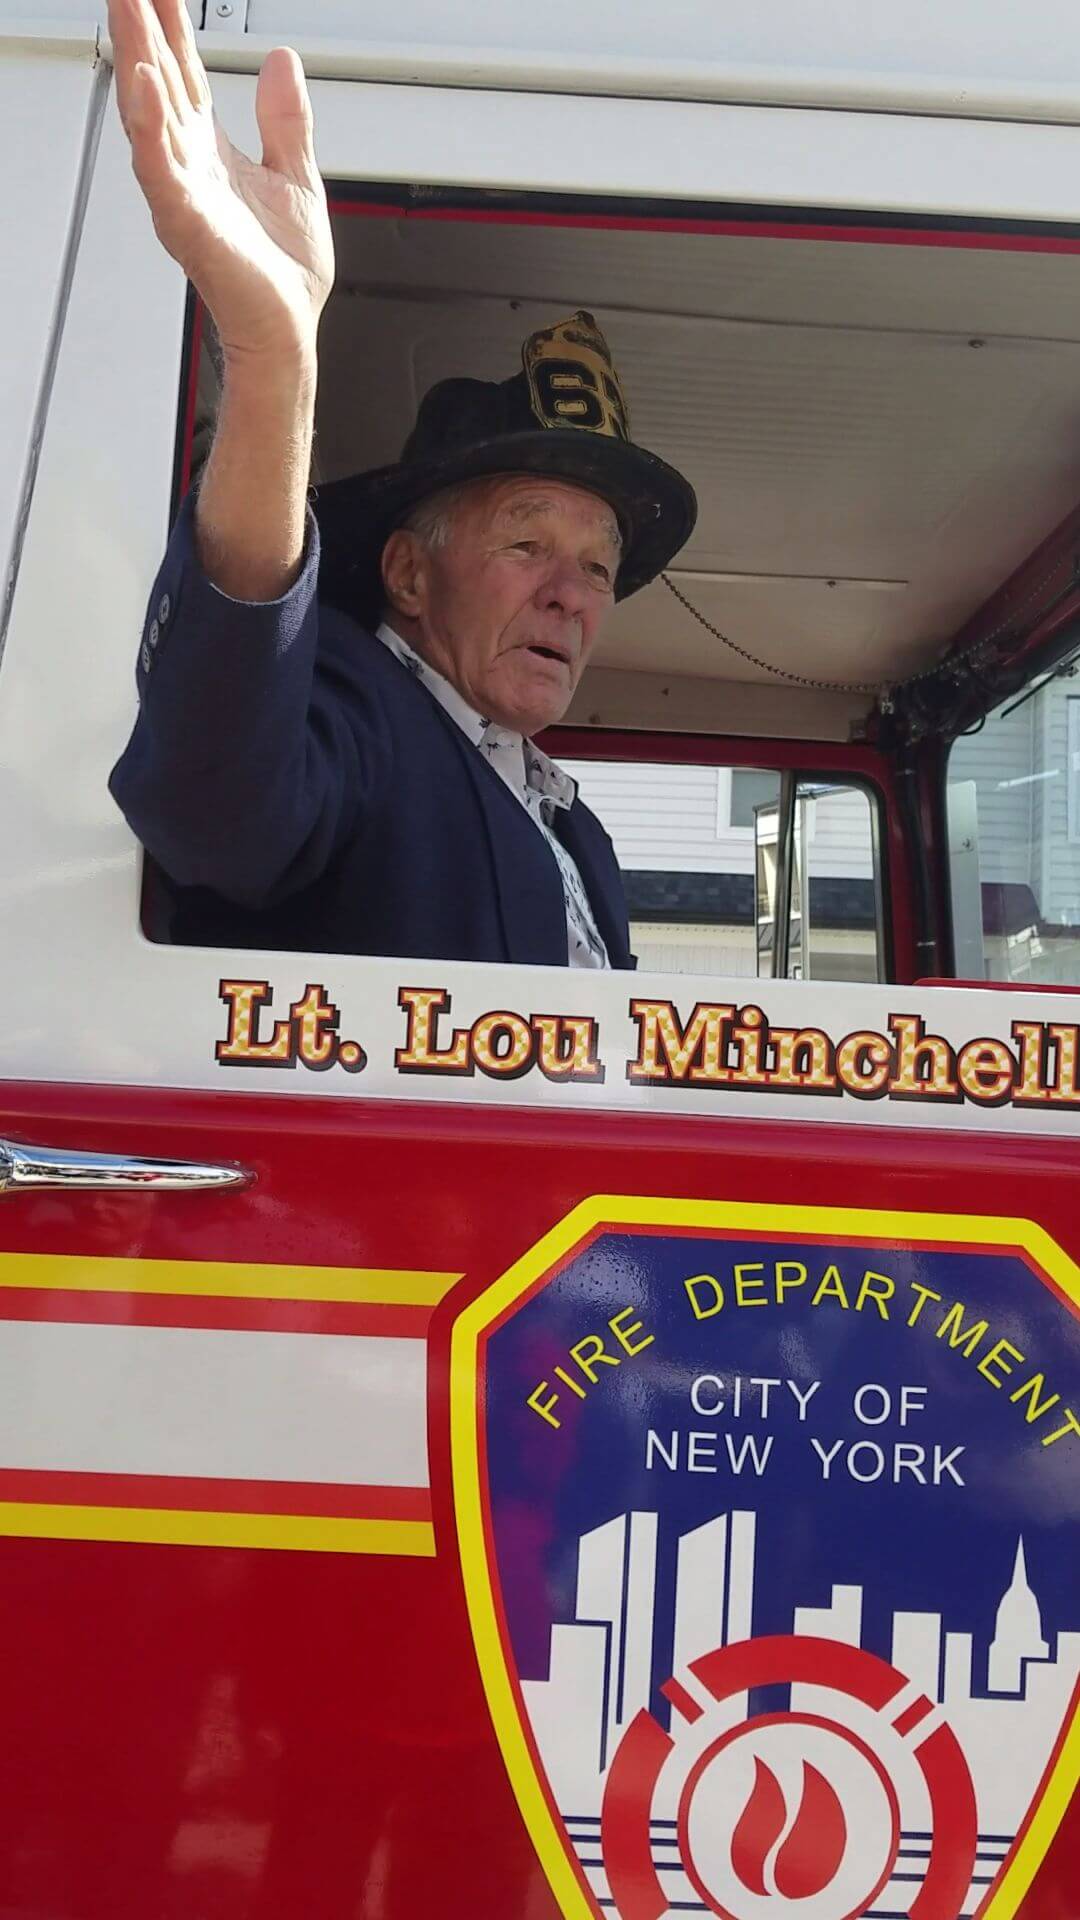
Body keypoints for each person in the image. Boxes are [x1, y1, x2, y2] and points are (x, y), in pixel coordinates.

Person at [107, 0, 697, 966]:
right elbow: (215, 806)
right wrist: (275, 361)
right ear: (410, 576)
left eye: (598, 566)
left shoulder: (576, 831)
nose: (570, 594)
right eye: (526, 541)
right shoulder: (356, 709)